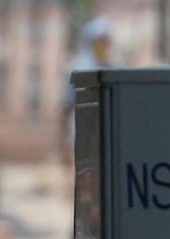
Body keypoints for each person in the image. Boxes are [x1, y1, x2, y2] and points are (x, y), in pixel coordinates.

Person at [60, 17, 114, 194]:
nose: (104, 45)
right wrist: (63, 144)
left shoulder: (112, 69)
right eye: (100, 41)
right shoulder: (78, 69)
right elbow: (65, 106)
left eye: (106, 40)